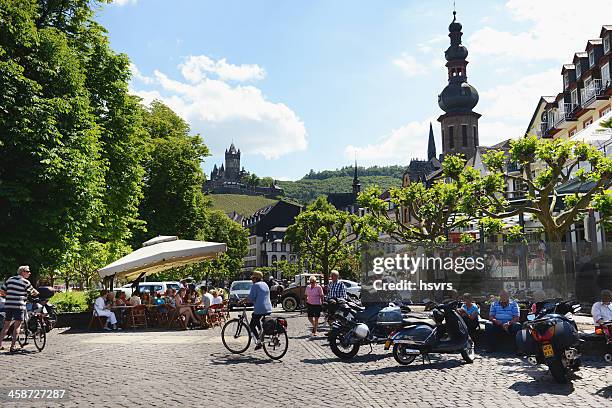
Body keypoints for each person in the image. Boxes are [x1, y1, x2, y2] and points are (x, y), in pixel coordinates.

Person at [0, 266, 39, 352]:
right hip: (19, 305)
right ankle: (13, 347)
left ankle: (0, 345)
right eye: (28, 271)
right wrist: (37, 293)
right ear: (23, 272)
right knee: (17, 326)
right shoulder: (25, 282)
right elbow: (32, 292)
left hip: (9, 305)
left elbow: (2, 291)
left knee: (6, 325)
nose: (29, 273)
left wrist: (9, 296)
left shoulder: (10, 279)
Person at [246, 270, 273, 350]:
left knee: (251, 326)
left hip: (260, 309)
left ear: (255, 278)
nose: (252, 280)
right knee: (254, 316)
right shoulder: (265, 284)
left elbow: (250, 298)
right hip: (268, 308)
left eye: (252, 278)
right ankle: (261, 331)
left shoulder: (255, 285)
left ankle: (259, 341)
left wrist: (241, 301)